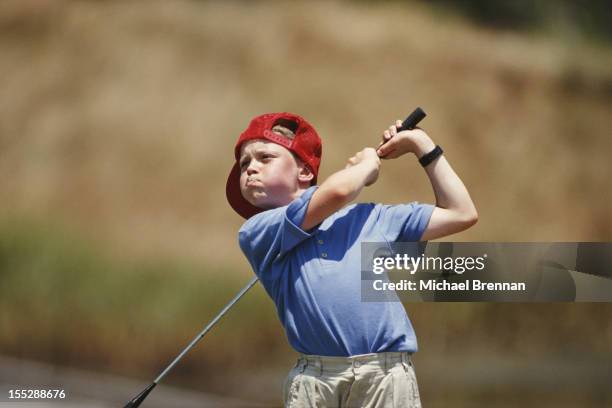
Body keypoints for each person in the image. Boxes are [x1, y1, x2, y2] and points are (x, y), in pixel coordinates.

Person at [226, 112, 477, 407]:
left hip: (384, 374)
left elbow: (461, 213)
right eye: (245, 164)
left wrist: (421, 145)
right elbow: (339, 191)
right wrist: (367, 166)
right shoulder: (258, 230)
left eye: (264, 157)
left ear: (304, 172)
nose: (250, 168)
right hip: (316, 381)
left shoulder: (368, 218)